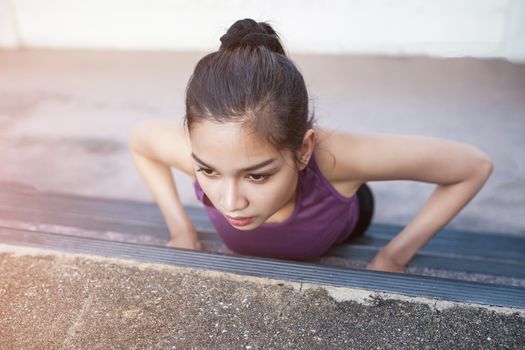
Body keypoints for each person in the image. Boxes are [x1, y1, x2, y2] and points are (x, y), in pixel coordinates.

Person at [129, 18, 493, 273]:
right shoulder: (204, 152)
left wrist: (394, 256)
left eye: (257, 176)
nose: (229, 201)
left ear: (304, 149)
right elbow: (142, 140)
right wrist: (182, 230)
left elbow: (472, 166)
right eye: (207, 170)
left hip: (341, 201)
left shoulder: (337, 160)